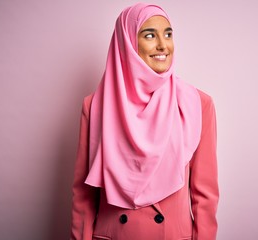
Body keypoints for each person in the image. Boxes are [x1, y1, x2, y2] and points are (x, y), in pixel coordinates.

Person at [70, 3, 219, 240]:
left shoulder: (197, 104)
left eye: (168, 34)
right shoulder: (96, 105)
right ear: (127, 42)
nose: (163, 45)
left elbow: (205, 196)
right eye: (149, 35)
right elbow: (84, 195)